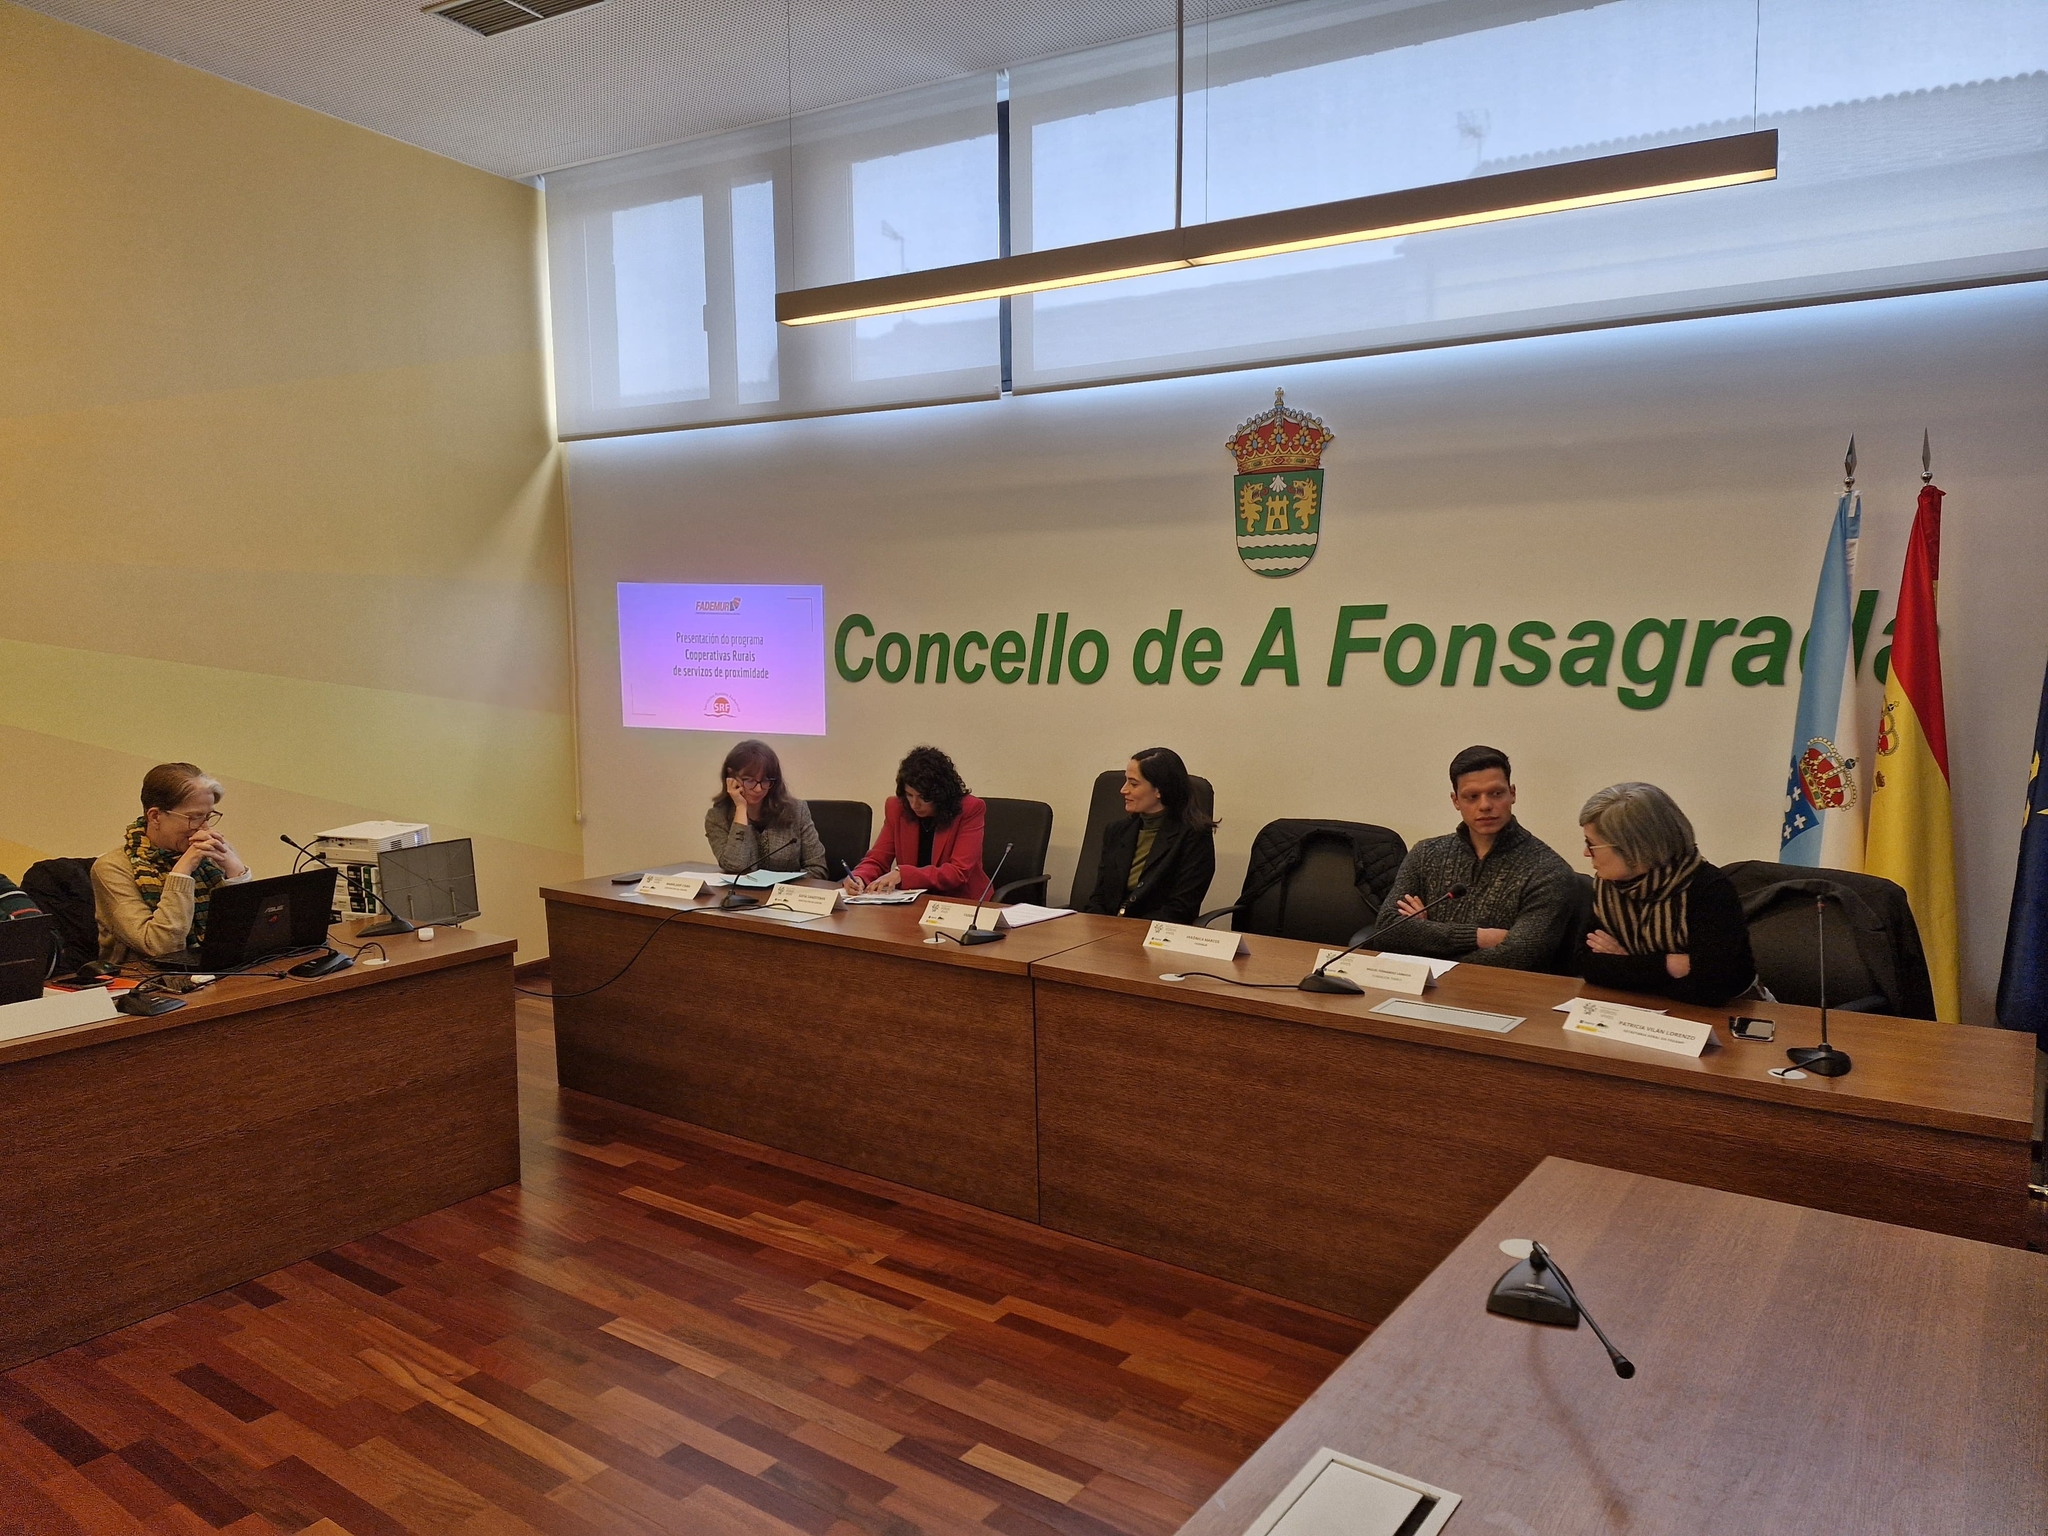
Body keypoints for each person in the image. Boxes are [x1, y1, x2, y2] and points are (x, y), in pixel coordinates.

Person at [1375, 745, 1577, 969]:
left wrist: (1426, 936)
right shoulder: (1426, 854)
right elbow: (1386, 930)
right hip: (1424, 986)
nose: (1485, 805)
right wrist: (1480, 937)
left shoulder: (1547, 870)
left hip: (1498, 989)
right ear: (1455, 801)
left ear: (1512, 794)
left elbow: (1521, 956)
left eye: (1496, 793)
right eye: (1472, 797)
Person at [1578, 781, 1757, 1006]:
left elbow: (1712, 987)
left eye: (1591, 844)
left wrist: (1628, 965)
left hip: (1728, 1012)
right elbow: (1588, 966)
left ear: (1633, 848)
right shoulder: (1608, 886)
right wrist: (1671, 964)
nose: (1585, 853)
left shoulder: (1709, 889)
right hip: (1641, 1007)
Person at [93, 762, 252, 964]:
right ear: (155, 816)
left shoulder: (213, 854)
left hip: (217, 968)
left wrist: (236, 874)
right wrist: (181, 873)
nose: (205, 828)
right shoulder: (112, 868)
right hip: (145, 976)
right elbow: (160, 947)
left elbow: (248, 936)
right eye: (194, 817)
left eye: (208, 816)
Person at [1081, 748, 1217, 924]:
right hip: (1108, 930)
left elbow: (1181, 908)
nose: (1123, 790)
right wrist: (1098, 926)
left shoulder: (1194, 835)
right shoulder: (1116, 831)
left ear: (1159, 790)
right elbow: (1099, 896)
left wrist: (1127, 930)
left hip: (1157, 932)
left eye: (1133, 784)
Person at [844, 747, 986, 897]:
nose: (914, 805)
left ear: (940, 795)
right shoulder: (897, 808)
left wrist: (903, 874)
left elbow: (958, 872)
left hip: (960, 899)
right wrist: (860, 876)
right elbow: (878, 859)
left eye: (923, 798)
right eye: (909, 795)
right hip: (913, 900)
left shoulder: (969, 809)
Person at [704, 739, 828, 878]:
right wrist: (741, 808)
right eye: (749, 780)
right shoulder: (717, 817)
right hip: (740, 892)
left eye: (765, 780)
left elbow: (818, 869)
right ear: (731, 777)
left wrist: (782, 885)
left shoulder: (796, 811)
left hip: (786, 891)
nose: (758, 789)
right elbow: (735, 867)